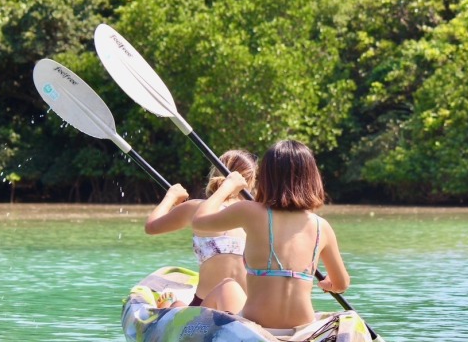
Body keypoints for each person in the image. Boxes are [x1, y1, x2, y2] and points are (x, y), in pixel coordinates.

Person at [191, 140, 350, 329]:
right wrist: (327, 285)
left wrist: (227, 187)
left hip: (257, 323)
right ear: (313, 178)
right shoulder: (321, 226)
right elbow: (341, 283)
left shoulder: (250, 212)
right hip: (301, 325)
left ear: (266, 178)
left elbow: (199, 221)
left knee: (227, 286)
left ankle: (191, 334)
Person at [144, 150, 258, 307]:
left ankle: (169, 306)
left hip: (204, 305)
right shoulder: (258, 215)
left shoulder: (195, 208)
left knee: (176, 305)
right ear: (251, 181)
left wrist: (171, 196)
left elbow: (151, 226)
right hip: (247, 307)